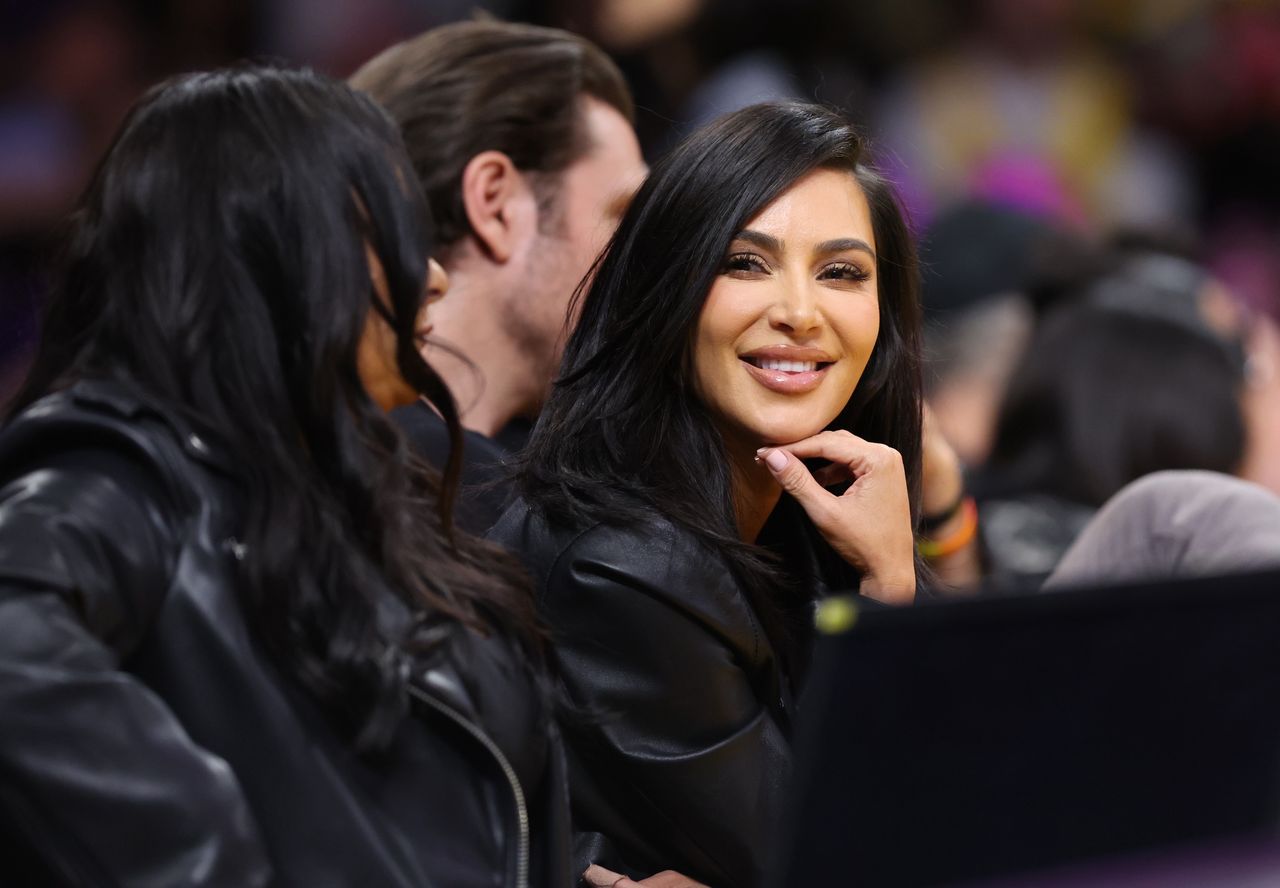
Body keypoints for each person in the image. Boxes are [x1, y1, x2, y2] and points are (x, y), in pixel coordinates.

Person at [0, 66, 570, 887]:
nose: (433, 274)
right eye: (393, 231)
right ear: (277, 249)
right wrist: (204, 855)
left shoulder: (355, 483)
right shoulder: (125, 467)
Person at [491, 101, 925, 887]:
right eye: (744, 263)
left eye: (842, 272)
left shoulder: (810, 523)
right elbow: (840, 859)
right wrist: (890, 597)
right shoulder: (621, 565)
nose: (798, 313)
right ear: (666, 293)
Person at [350, 20, 648, 532]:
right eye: (627, 215)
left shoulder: (318, 458)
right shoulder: (484, 527)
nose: (649, 255)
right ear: (495, 204)